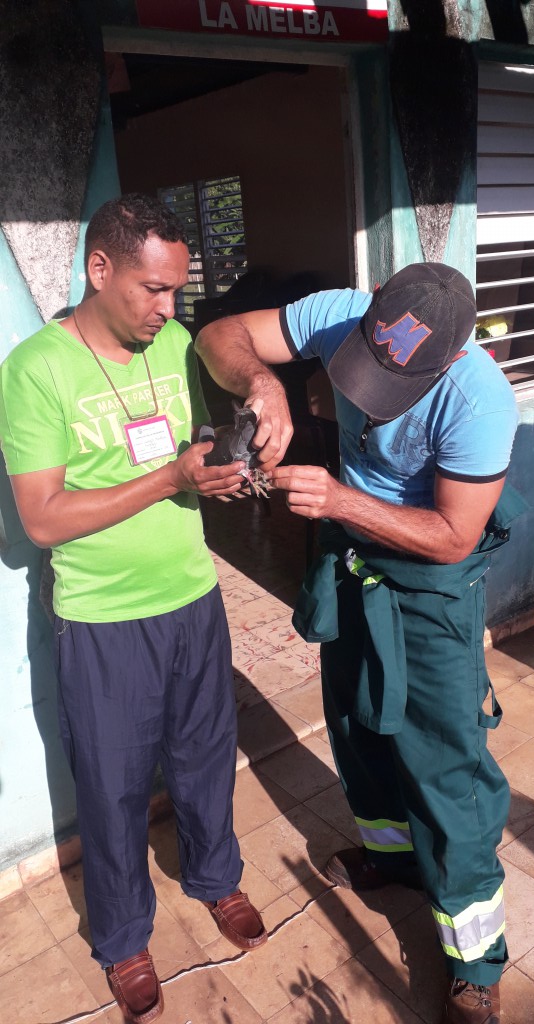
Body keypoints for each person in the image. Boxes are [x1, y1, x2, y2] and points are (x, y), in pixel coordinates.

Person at [195, 262, 520, 1024]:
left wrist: (340, 498)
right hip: (353, 557)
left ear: (447, 360)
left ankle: (475, 957)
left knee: (445, 762)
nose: (368, 396)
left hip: (433, 579)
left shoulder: (478, 398)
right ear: (371, 311)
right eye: (366, 364)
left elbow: (453, 534)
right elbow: (219, 334)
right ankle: (392, 855)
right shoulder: (344, 311)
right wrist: (264, 386)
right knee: (355, 720)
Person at [0, 193, 268, 1024]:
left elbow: (215, 391)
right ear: (100, 268)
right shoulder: (36, 370)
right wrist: (171, 478)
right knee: (113, 788)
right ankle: (121, 938)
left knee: (203, 756)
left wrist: (227, 463)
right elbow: (41, 518)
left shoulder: (179, 343)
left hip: (191, 597)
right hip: (103, 620)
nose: (167, 309)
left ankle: (216, 880)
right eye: (153, 290)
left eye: (177, 292)